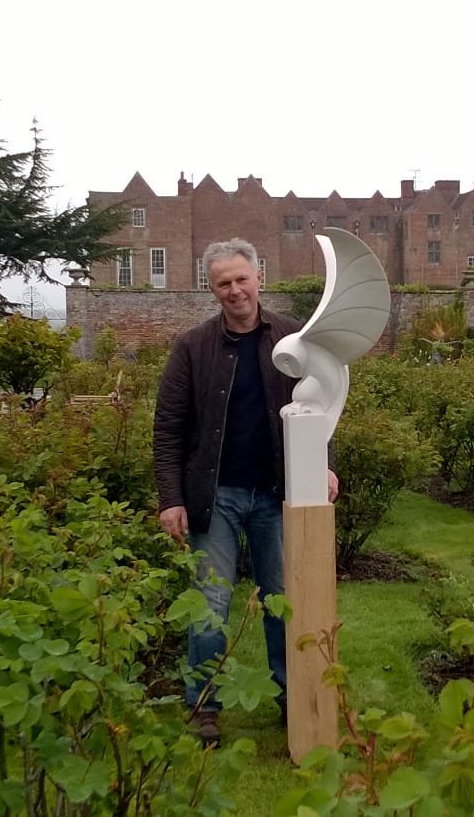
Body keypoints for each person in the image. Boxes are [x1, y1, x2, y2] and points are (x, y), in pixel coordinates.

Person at [153, 238, 338, 744]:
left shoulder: (292, 338)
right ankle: (204, 705)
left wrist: (322, 465)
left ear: (259, 277)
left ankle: (293, 699)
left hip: (279, 496)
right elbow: (168, 426)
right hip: (216, 498)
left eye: (241, 279)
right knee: (210, 605)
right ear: (211, 289)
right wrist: (171, 497)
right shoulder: (192, 347)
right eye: (223, 283)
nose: (234, 290)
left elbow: (318, 408)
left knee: (284, 601)